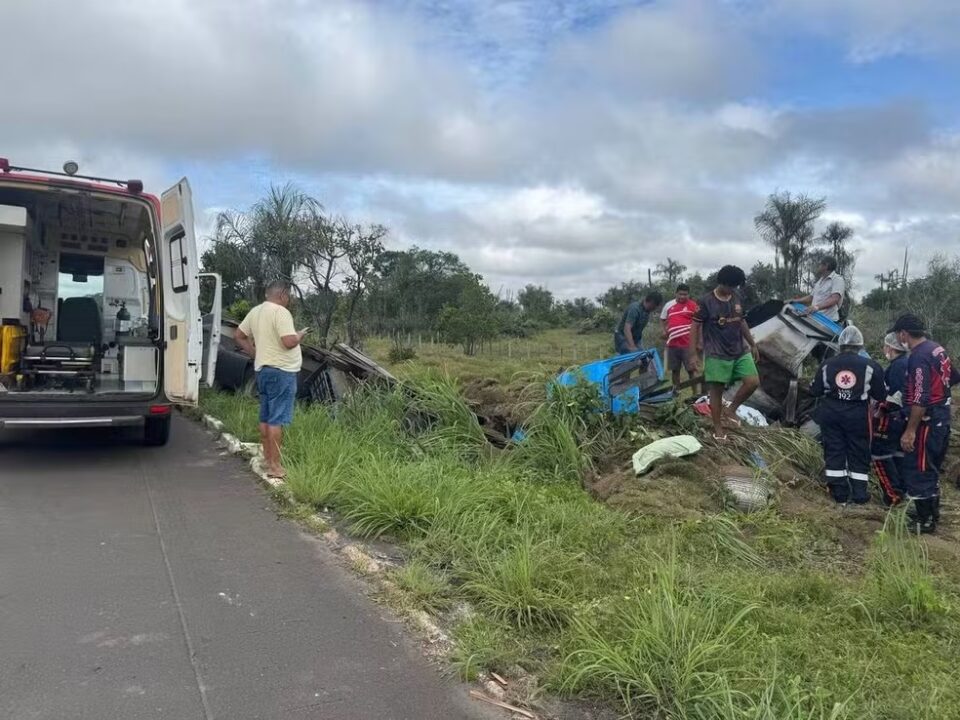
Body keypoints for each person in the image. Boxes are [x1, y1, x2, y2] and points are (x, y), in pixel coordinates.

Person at [891, 313, 960, 534]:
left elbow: (920, 397)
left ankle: (924, 521)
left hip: (927, 420)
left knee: (919, 467)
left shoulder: (918, 356)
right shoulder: (937, 349)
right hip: (941, 417)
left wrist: (910, 431)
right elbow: (955, 376)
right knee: (930, 466)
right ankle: (931, 513)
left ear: (903, 334)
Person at [234, 281, 308, 479]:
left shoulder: (256, 311)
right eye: (289, 296)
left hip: (263, 371)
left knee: (266, 417)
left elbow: (239, 335)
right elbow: (288, 342)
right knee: (277, 420)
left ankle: (267, 460)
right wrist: (299, 335)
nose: (289, 300)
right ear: (283, 295)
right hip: (282, 372)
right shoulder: (281, 312)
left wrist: (253, 352)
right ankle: (275, 467)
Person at [809, 326, 887, 505]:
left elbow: (815, 391)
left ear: (840, 345)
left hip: (831, 414)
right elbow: (881, 395)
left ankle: (839, 494)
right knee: (859, 451)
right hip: (858, 415)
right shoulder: (871, 366)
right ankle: (859, 495)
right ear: (860, 346)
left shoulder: (827, 364)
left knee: (834, 450)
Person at [688, 265, 760, 440]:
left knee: (752, 382)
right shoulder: (705, 301)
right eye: (731, 286)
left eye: (735, 287)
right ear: (722, 282)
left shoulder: (736, 297)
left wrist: (752, 344)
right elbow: (695, 326)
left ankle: (731, 410)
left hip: (739, 350)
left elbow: (741, 321)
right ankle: (718, 428)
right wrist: (693, 354)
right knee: (716, 392)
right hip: (716, 353)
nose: (733, 290)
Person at [870, 333, 909, 506]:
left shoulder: (897, 367)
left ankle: (893, 495)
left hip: (891, 417)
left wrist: (881, 411)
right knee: (897, 454)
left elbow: (896, 395)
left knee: (879, 454)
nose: (884, 349)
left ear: (891, 348)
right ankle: (902, 490)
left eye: (885, 346)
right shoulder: (906, 363)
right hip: (903, 418)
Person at [659, 283, 700, 393]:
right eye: (680, 294)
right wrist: (664, 331)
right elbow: (663, 319)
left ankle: (695, 394)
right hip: (672, 345)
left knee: (691, 370)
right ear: (676, 293)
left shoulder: (693, 306)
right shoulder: (669, 306)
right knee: (675, 370)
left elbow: (700, 323)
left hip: (688, 344)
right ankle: (676, 392)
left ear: (688, 295)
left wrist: (699, 342)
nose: (682, 296)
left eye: (685, 294)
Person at [789, 256, 845, 322]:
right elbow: (811, 297)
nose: (819, 266)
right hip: (815, 318)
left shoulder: (837, 279)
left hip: (828, 322)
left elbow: (834, 299)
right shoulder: (820, 281)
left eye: (820, 264)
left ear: (826, 265)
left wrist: (816, 307)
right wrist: (795, 301)